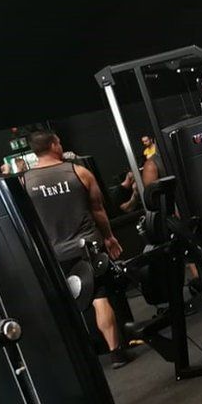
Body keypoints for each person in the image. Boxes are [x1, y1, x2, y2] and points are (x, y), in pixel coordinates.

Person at [21, 131, 132, 368]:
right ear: (52, 145)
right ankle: (116, 353)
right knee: (99, 298)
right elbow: (98, 210)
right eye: (59, 142)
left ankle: (80, 360)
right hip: (87, 246)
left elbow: (26, 220)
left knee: (65, 304)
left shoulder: (25, 182)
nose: (61, 145)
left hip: (54, 252)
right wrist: (110, 237)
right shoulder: (78, 172)